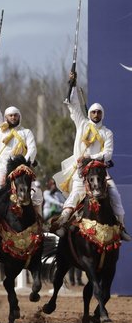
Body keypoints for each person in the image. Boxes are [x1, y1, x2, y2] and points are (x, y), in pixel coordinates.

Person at [54, 73, 130, 240]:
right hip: (81, 171)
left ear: (102, 114)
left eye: (98, 112)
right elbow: (73, 106)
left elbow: (108, 154)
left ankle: (121, 227)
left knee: (115, 195)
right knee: (76, 194)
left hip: (100, 171)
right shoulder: (82, 123)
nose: (96, 115)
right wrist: (72, 84)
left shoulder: (107, 132)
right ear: (90, 113)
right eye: (93, 112)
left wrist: (91, 157)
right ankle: (62, 222)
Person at [0, 81, 40, 235]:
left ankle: (39, 222)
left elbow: (32, 149)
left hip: (19, 171)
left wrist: (25, 163)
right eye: (10, 115)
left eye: (16, 115)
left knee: (36, 193)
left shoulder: (26, 132)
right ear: (6, 117)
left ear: (20, 117)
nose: (13, 117)